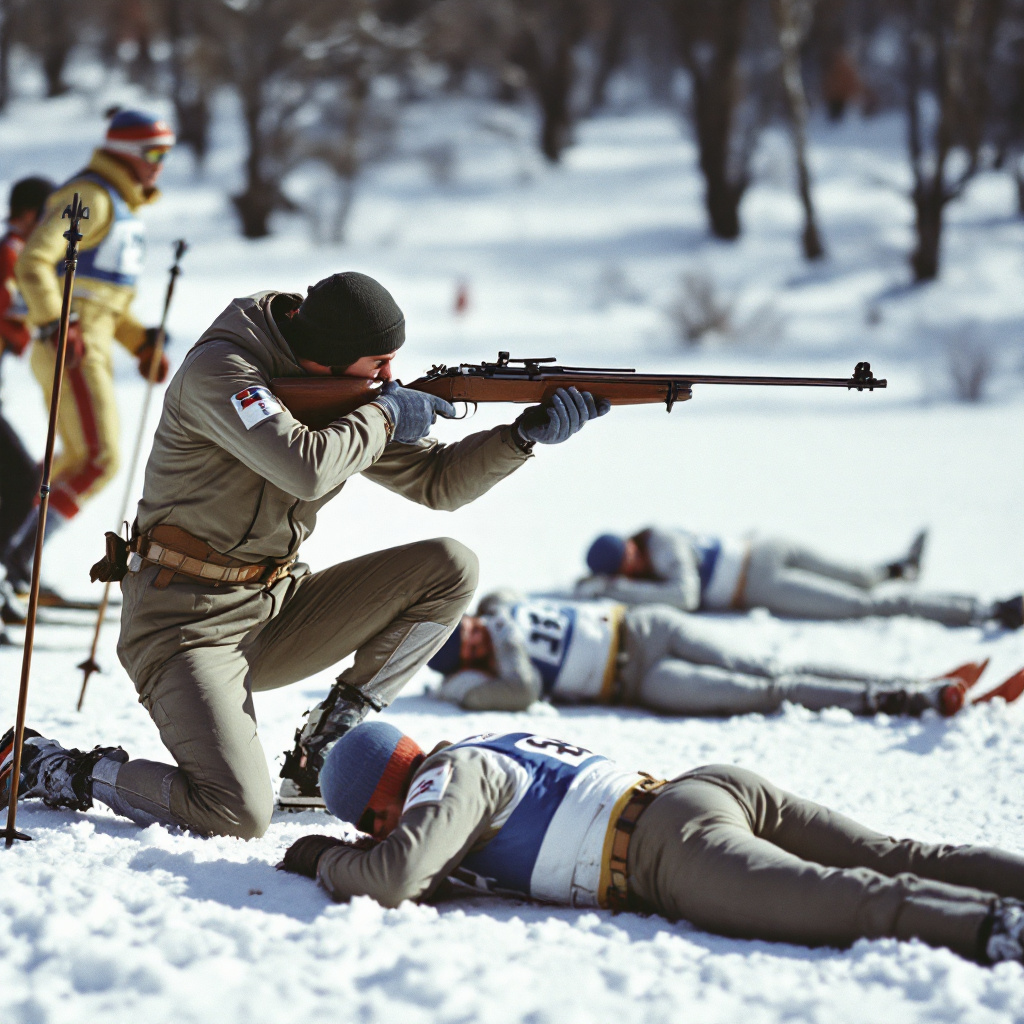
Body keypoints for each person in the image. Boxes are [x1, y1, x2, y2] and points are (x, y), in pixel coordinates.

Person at [1, 271, 610, 839]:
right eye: (380, 361)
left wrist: (520, 437)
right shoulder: (223, 372)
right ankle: (53, 767)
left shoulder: (342, 393)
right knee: (236, 811)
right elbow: (305, 466)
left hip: (276, 607)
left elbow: (438, 482)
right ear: (331, 350)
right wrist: (384, 412)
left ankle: (323, 745)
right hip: (183, 627)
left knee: (450, 567)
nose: (391, 373)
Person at [277, 721, 1024, 968]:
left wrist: (321, 858)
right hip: (697, 793)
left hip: (671, 851)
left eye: (370, 824)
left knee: (850, 903)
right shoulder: (481, 747)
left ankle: (993, 927)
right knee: (899, 856)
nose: (378, 834)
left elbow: (399, 875)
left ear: (383, 801)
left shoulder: (449, 775)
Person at [4, 108, 175, 592]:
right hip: (71, 345)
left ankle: (11, 542)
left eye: (166, 154)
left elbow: (103, 302)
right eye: (154, 154)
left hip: (86, 340)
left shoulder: (121, 206)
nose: (161, 165)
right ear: (126, 153)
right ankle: (15, 556)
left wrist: (140, 342)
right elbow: (34, 264)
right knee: (101, 459)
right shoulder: (92, 198)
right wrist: (56, 323)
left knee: (78, 459)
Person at [426, 590, 1024, 717]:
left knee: (767, 665)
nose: (483, 632)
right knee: (771, 691)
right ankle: (901, 696)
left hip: (646, 626)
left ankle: (917, 676)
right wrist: (497, 645)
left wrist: (493, 619)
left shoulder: (499, 606)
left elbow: (499, 595)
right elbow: (522, 693)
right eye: (474, 644)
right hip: (639, 679)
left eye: (473, 626)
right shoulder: (499, 674)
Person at [578, 526, 1024, 630]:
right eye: (625, 566)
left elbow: (684, 597)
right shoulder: (646, 553)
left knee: (862, 602)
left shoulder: (660, 542)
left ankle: (986, 609)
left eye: (629, 559)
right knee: (860, 582)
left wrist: (618, 589)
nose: (633, 565)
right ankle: (899, 570)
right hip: (761, 556)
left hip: (758, 575)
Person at [0, 176, 54, 631]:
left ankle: (8, 571)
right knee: (22, 482)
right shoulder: (12, 254)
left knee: (22, 480)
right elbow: (14, 317)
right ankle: (6, 570)